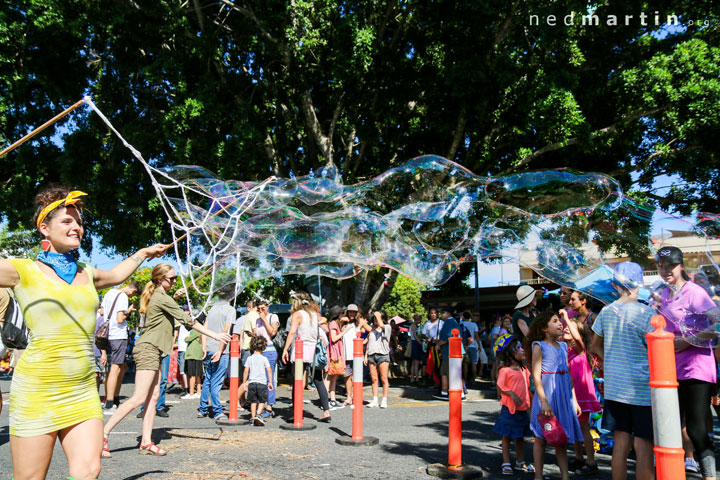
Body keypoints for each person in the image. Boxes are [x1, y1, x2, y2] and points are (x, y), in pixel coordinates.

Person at [0, 186, 167, 479]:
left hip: (82, 389)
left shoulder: (86, 273)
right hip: (37, 390)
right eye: (67, 221)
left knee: (89, 470)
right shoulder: (21, 269)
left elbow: (117, 275)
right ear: (44, 228)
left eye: (78, 222)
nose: (76, 227)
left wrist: (143, 253)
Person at [102, 263, 231, 457]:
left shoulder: (161, 296)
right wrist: (216, 335)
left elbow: (169, 307)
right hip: (148, 349)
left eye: (174, 279)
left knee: (153, 397)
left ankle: (146, 442)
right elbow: (189, 320)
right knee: (138, 398)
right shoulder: (162, 298)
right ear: (161, 280)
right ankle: (103, 435)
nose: (173, 281)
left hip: (155, 350)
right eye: (171, 279)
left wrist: (175, 296)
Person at [654, 246, 718, 480]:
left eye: (670, 265)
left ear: (681, 265)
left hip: (696, 368)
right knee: (670, 428)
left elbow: (716, 326)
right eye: (661, 265)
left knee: (696, 428)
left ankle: (710, 476)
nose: (665, 270)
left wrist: (688, 341)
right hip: (670, 370)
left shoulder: (694, 291)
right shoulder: (664, 294)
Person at [590, 261, 654, 480]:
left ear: (615, 285)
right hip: (642, 388)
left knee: (620, 442)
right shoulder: (648, 313)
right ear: (641, 283)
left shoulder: (606, 312)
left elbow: (594, 345)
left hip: (615, 386)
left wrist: (610, 363)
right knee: (643, 444)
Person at [526, 311, 583, 480]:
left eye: (560, 321)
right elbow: (536, 376)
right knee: (541, 437)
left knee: (561, 438)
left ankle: (565, 476)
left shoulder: (564, 346)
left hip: (563, 395)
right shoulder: (539, 346)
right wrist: (543, 401)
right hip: (547, 396)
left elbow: (568, 375)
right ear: (544, 328)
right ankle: (538, 475)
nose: (560, 324)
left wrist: (575, 400)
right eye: (555, 321)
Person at [560, 309, 602, 475]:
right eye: (565, 327)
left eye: (569, 328)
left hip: (582, 394)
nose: (565, 329)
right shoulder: (567, 350)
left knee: (583, 427)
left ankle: (591, 462)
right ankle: (579, 458)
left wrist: (565, 317)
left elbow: (577, 338)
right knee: (573, 426)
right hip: (572, 394)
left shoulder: (580, 349)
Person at [282, 291, 331, 421]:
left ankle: (296, 412)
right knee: (318, 379)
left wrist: (285, 349)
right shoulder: (314, 315)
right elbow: (323, 323)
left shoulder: (297, 315)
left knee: (297, 380)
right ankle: (326, 411)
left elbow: (292, 332)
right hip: (313, 349)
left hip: (300, 349)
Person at [492, 334, 534, 475]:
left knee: (520, 436)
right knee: (506, 436)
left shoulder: (524, 369)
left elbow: (529, 387)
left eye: (521, 347)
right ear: (509, 353)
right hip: (509, 410)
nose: (522, 350)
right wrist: (511, 393)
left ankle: (520, 462)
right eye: (518, 348)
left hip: (522, 409)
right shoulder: (505, 370)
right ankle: (506, 462)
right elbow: (500, 386)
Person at [101, 281, 142, 414]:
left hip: (106, 334)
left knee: (120, 366)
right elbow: (120, 319)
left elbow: (102, 312)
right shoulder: (123, 297)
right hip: (117, 334)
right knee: (116, 367)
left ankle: (114, 398)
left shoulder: (109, 293)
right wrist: (128, 311)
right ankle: (109, 403)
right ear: (133, 291)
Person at [197, 286, 235, 420]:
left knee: (208, 378)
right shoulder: (230, 310)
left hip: (209, 347)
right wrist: (220, 350)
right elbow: (226, 331)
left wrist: (204, 347)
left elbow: (204, 328)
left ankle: (202, 409)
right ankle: (217, 410)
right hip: (220, 349)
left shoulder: (212, 309)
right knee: (216, 381)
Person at [255, 298, 280, 418]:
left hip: (270, 351)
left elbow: (272, 332)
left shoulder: (272, 317)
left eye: (262, 308)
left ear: (267, 307)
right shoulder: (257, 320)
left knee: (268, 380)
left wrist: (264, 319)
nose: (260, 311)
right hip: (259, 351)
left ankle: (269, 406)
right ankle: (261, 405)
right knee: (260, 379)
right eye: (258, 309)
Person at [434, 308, 466, 401]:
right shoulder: (454, 322)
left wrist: (438, 344)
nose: (441, 315)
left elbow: (446, 338)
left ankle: (445, 392)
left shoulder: (448, 322)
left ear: (448, 314)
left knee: (446, 373)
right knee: (455, 373)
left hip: (450, 352)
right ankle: (460, 393)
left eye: (443, 313)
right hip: (455, 351)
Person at [243, 335, 274, 426]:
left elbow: (246, 371)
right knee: (262, 400)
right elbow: (269, 371)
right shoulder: (264, 359)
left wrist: (245, 382)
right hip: (262, 383)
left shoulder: (249, 358)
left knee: (253, 401)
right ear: (264, 347)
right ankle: (259, 414)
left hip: (252, 382)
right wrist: (270, 382)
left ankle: (253, 417)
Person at [365, 311, 391, 408]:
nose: (375, 319)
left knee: (384, 378)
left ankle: (384, 400)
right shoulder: (372, 330)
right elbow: (369, 343)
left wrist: (376, 313)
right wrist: (366, 355)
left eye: (377, 318)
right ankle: (375, 399)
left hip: (382, 355)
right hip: (372, 355)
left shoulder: (387, 327)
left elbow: (381, 325)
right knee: (374, 379)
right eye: (374, 318)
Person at [326, 305, 347, 410]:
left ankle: (332, 400)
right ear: (339, 315)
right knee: (330, 377)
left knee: (334, 377)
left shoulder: (335, 323)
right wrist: (344, 332)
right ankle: (325, 401)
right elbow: (334, 338)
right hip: (334, 353)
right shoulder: (333, 324)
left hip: (335, 352)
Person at [182, 324, 204, 399]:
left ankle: (191, 393)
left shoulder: (195, 331)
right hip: (198, 355)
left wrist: (187, 336)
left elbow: (186, 339)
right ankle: (198, 391)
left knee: (191, 375)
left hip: (192, 355)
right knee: (198, 374)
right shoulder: (202, 331)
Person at [460, 310, 480, 385]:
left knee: (465, 364)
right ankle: (473, 379)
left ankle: (465, 380)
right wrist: (479, 345)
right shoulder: (474, 324)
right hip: (473, 345)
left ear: (463, 316)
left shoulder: (461, 324)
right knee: (473, 363)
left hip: (464, 346)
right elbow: (476, 336)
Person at [409, 313, 425, 383]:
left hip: (413, 342)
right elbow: (415, 335)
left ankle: (412, 377)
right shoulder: (414, 326)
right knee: (416, 362)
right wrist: (420, 342)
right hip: (415, 343)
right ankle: (416, 378)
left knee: (413, 362)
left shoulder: (412, 325)